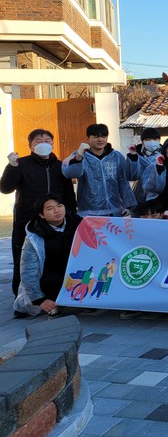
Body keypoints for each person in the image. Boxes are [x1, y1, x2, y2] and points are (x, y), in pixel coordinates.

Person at [2, 128, 76, 297]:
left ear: (52, 144)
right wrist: (11, 167)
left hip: (56, 222)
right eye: (38, 141)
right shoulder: (21, 164)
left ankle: (55, 295)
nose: (43, 144)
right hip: (27, 221)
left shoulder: (60, 166)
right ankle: (24, 298)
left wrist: (71, 215)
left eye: (47, 140)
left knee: (56, 259)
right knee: (24, 260)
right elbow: (5, 188)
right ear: (30, 145)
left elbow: (68, 194)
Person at [13, 194, 82, 317]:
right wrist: (39, 300)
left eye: (60, 206)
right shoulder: (34, 236)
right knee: (52, 280)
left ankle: (87, 301)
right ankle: (53, 302)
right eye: (50, 208)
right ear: (41, 214)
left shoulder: (78, 223)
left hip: (75, 269)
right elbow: (28, 270)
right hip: (50, 275)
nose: (57, 211)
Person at [61, 123, 135, 217]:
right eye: (96, 136)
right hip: (89, 212)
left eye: (103, 136)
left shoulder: (117, 156)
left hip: (114, 211)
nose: (100, 140)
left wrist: (128, 205)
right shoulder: (79, 155)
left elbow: (123, 182)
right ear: (88, 138)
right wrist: (78, 157)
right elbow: (69, 173)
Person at [125, 127, 163, 203]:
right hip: (140, 197)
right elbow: (130, 176)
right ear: (142, 141)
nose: (152, 142)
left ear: (159, 140)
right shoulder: (137, 155)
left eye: (155, 139)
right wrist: (133, 156)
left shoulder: (165, 155)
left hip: (160, 198)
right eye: (148, 139)